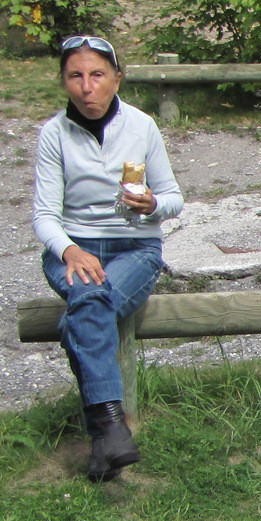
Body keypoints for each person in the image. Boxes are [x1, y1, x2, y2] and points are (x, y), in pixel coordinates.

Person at [32, 35, 184, 482]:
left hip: (134, 248)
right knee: (90, 299)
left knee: (83, 311)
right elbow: (44, 215)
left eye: (97, 75)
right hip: (72, 250)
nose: (87, 87)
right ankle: (114, 430)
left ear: (117, 78)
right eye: (75, 76)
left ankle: (105, 436)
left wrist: (153, 204)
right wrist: (69, 249)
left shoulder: (142, 127)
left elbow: (174, 198)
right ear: (63, 82)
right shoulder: (53, 133)